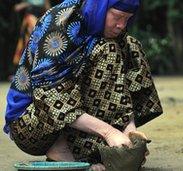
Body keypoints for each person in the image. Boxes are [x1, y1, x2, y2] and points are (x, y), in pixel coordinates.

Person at [3, 0, 163, 170]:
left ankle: (95, 152)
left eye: (127, 19)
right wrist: (109, 133)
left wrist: (128, 129)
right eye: (117, 17)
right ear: (100, 8)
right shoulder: (60, 23)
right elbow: (49, 96)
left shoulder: (109, 32)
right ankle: (60, 150)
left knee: (129, 46)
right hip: (31, 124)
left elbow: (122, 84)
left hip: (76, 126)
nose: (121, 25)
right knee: (107, 50)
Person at [12, 0, 51, 67]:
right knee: (27, 41)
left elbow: (47, 7)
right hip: (30, 17)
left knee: (36, 40)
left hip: (39, 18)